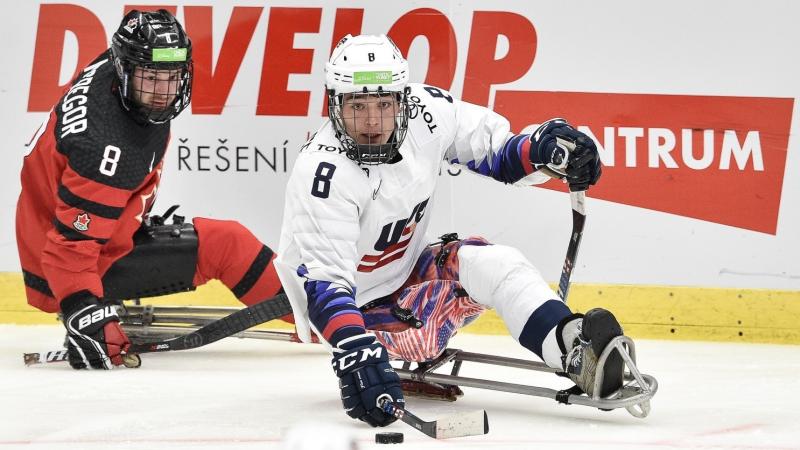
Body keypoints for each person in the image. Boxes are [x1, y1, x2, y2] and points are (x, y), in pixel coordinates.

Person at [275, 34, 624, 427]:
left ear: (402, 100)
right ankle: (391, 338)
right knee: (424, 323)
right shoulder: (322, 173)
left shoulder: (428, 112)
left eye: (384, 104)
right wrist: (356, 350)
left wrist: (550, 151)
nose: (372, 122)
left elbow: (499, 152)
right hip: (357, 311)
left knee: (499, 263)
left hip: (406, 271)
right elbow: (327, 287)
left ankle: (571, 347)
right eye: (357, 106)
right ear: (335, 106)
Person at [16, 10, 285, 370]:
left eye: (172, 77)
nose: (162, 92)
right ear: (126, 69)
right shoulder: (107, 151)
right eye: (151, 78)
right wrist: (82, 309)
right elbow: (67, 252)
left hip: (63, 230)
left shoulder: (117, 71)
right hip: (71, 267)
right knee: (227, 244)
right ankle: (330, 319)